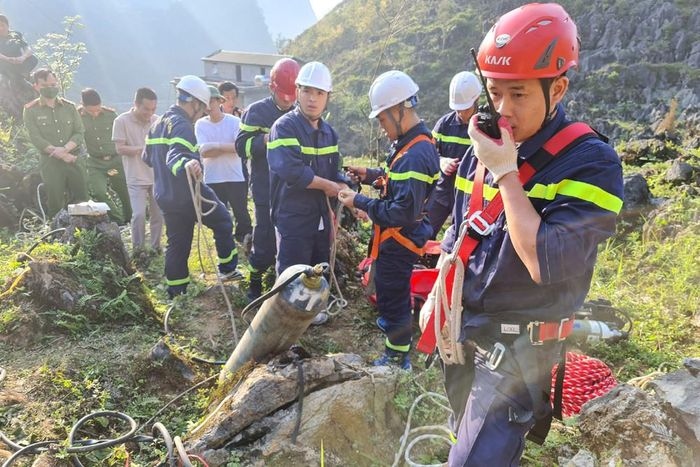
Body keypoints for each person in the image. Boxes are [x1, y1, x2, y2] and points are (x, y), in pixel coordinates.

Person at [417, 4, 624, 464]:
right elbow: (460, 230)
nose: (504, 111)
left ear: (559, 88)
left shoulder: (590, 164)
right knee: (466, 442)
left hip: (518, 352)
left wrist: (507, 174)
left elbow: (543, 261)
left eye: (519, 95)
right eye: (494, 94)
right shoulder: (484, 145)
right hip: (465, 335)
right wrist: (438, 290)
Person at [338, 70, 439, 369]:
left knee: (393, 299)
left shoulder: (415, 154)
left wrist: (360, 201)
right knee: (389, 293)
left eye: (383, 119)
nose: (382, 127)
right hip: (398, 239)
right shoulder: (411, 145)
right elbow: (397, 182)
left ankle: (396, 359)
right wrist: (369, 175)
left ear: (399, 110)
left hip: (399, 241)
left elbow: (401, 211)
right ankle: (396, 353)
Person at [143, 75, 242, 299]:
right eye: (202, 107)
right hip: (187, 193)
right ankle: (228, 269)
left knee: (178, 243)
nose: (204, 113)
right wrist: (186, 163)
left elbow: (146, 158)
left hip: (165, 195)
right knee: (224, 220)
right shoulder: (183, 126)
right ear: (195, 103)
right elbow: (175, 156)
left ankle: (176, 292)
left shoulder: (157, 124)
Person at [268, 61, 349, 325]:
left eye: (319, 93)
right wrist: (328, 186)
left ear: (328, 97)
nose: (313, 99)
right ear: (298, 92)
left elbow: (333, 171)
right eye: (307, 92)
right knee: (292, 268)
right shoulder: (284, 127)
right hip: (293, 214)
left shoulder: (329, 133)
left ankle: (311, 312)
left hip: (320, 215)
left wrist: (345, 187)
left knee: (318, 264)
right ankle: (282, 320)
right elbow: (291, 171)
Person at [235, 58, 299, 301]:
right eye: (283, 93)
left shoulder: (298, 113)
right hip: (264, 186)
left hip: (291, 188)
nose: (287, 99)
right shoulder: (256, 112)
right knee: (264, 238)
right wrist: (266, 140)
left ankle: (279, 279)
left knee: (289, 237)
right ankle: (254, 283)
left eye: (291, 94)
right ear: (272, 87)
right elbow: (241, 146)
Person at [23, 68, 88, 218]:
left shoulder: (69, 107)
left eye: (53, 84)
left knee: (83, 199)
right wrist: (61, 155)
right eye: (45, 85)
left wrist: (65, 150)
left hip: (75, 159)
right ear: (36, 87)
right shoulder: (30, 110)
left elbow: (79, 132)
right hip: (50, 162)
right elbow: (35, 137)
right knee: (55, 201)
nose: (50, 88)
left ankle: (86, 233)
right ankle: (57, 235)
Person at [195, 85, 252, 244]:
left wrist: (216, 146)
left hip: (235, 175)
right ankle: (223, 239)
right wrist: (225, 147)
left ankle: (245, 239)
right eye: (204, 102)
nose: (208, 106)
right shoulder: (200, 124)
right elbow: (203, 151)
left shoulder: (234, 121)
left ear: (219, 101)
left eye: (211, 101)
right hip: (213, 177)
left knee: (241, 212)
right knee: (218, 213)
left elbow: (239, 147)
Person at [428, 71, 481, 238]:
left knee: (461, 237)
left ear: (476, 100)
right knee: (425, 231)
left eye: (464, 108)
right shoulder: (444, 124)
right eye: (457, 109)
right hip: (442, 191)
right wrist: (441, 161)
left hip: (470, 196)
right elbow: (428, 153)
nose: (461, 113)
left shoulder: (485, 126)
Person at [113, 87, 164, 254]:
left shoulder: (157, 121)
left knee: (158, 215)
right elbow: (120, 149)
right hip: (135, 176)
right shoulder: (121, 121)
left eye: (153, 109)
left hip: (156, 176)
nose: (149, 113)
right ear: (136, 104)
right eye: (146, 109)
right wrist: (144, 149)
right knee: (139, 215)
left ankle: (156, 247)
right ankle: (138, 249)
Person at [79, 88, 132, 225]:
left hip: (114, 163)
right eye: (91, 111)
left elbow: (124, 134)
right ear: (83, 106)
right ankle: (117, 219)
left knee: (124, 190)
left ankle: (130, 219)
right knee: (99, 191)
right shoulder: (78, 117)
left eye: (98, 109)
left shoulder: (110, 115)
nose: (95, 113)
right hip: (96, 165)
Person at [0, 14, 38, 83]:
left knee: (33, 59)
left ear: (7, 25)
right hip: (5, 62)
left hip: (19, 61)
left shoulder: (16, 34)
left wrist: (23, 57)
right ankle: (19, 76)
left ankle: (19, 76)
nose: (1, 28)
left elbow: (27, 48)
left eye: (2, 25)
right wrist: (8, 59)